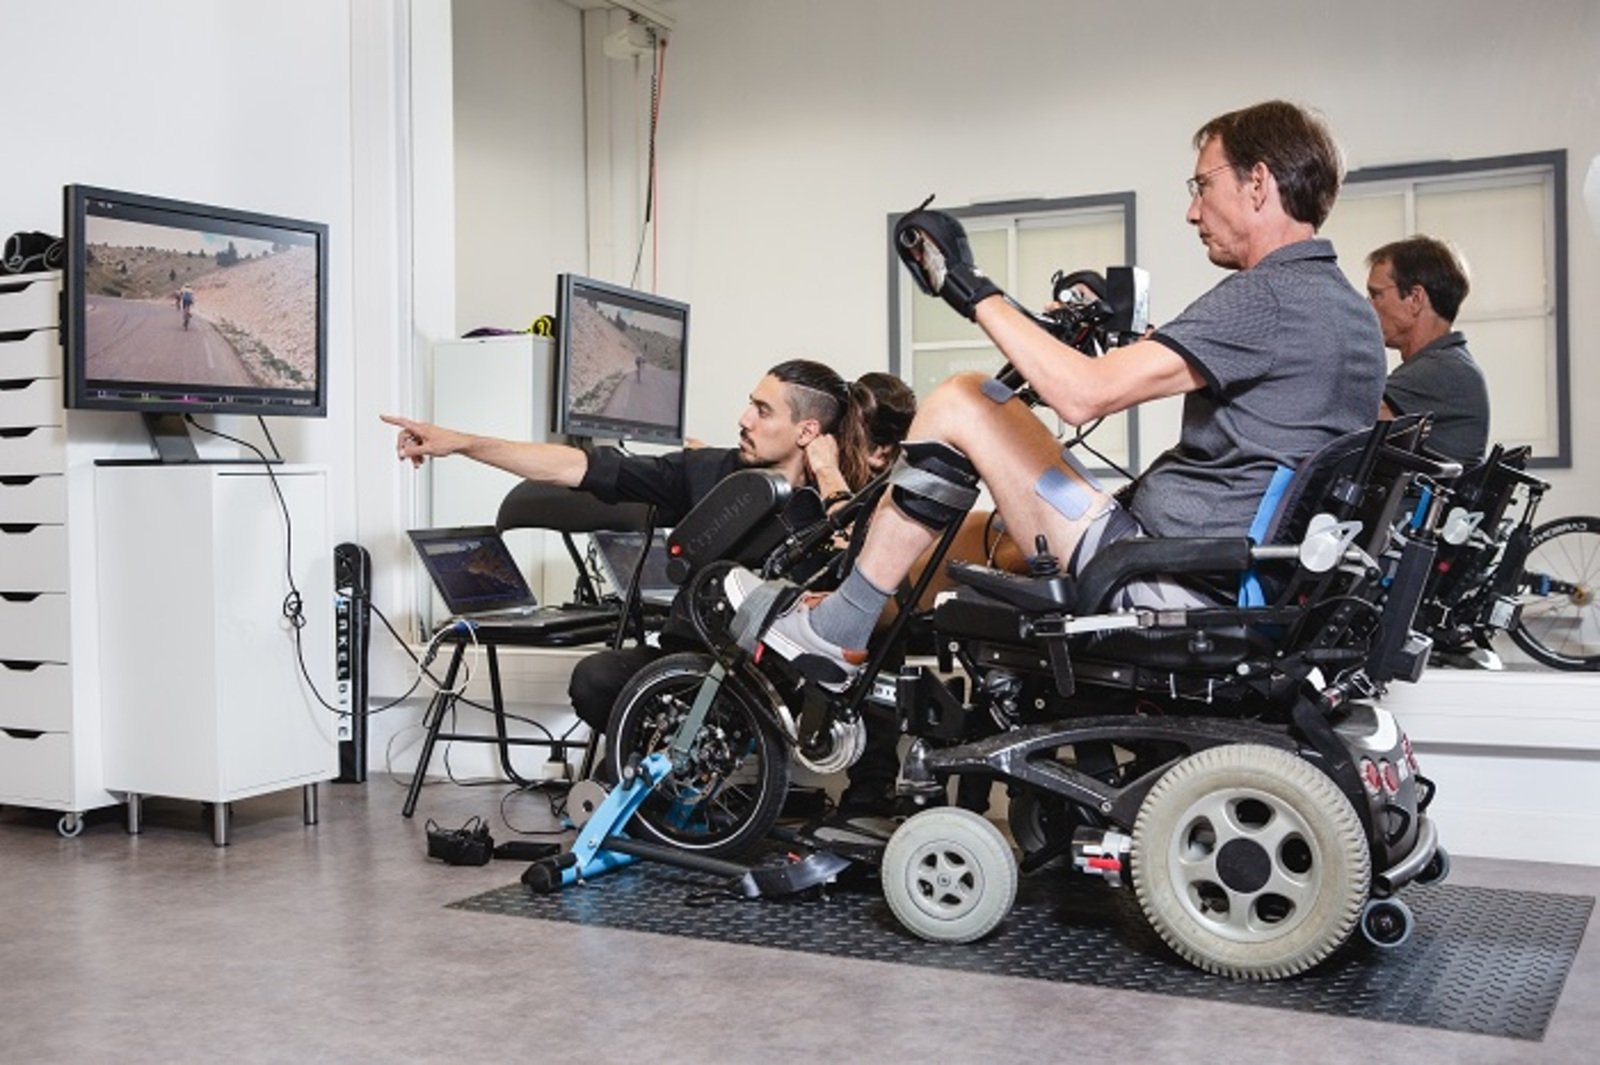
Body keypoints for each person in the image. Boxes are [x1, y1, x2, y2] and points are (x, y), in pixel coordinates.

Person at [730, 99, 1387, 692]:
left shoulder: (1266, 297)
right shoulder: (1342, 309)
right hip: (1227, 572)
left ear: (1258, 182)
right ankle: (841, 613)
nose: (1192, 209)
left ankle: (838, 630)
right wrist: (1111, 335)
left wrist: (967, 285)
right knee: (990, 537)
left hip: (1169, 578)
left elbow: (1082, 396)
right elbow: (1221, 373)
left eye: (1202, 184)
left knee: (963, 399)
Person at [382, 360, 909, 743]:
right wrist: (463, 443)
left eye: (762, 409)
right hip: (690, 662)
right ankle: (671, 784)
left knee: (886, 654)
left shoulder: (840, 499)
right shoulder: (706, 472)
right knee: (597, 678)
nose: (744, 417)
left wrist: (829, 474)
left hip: (781, 674)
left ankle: (861, 806)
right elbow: (577, 468)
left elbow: (871, 596)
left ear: (808, 430)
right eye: (750, 403)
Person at [1365, 236, 1489, 465]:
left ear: (1415, 298)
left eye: (1376, 295)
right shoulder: (1449, 363)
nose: (1367, 307)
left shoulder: (1443, 369)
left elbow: (1351, 417)